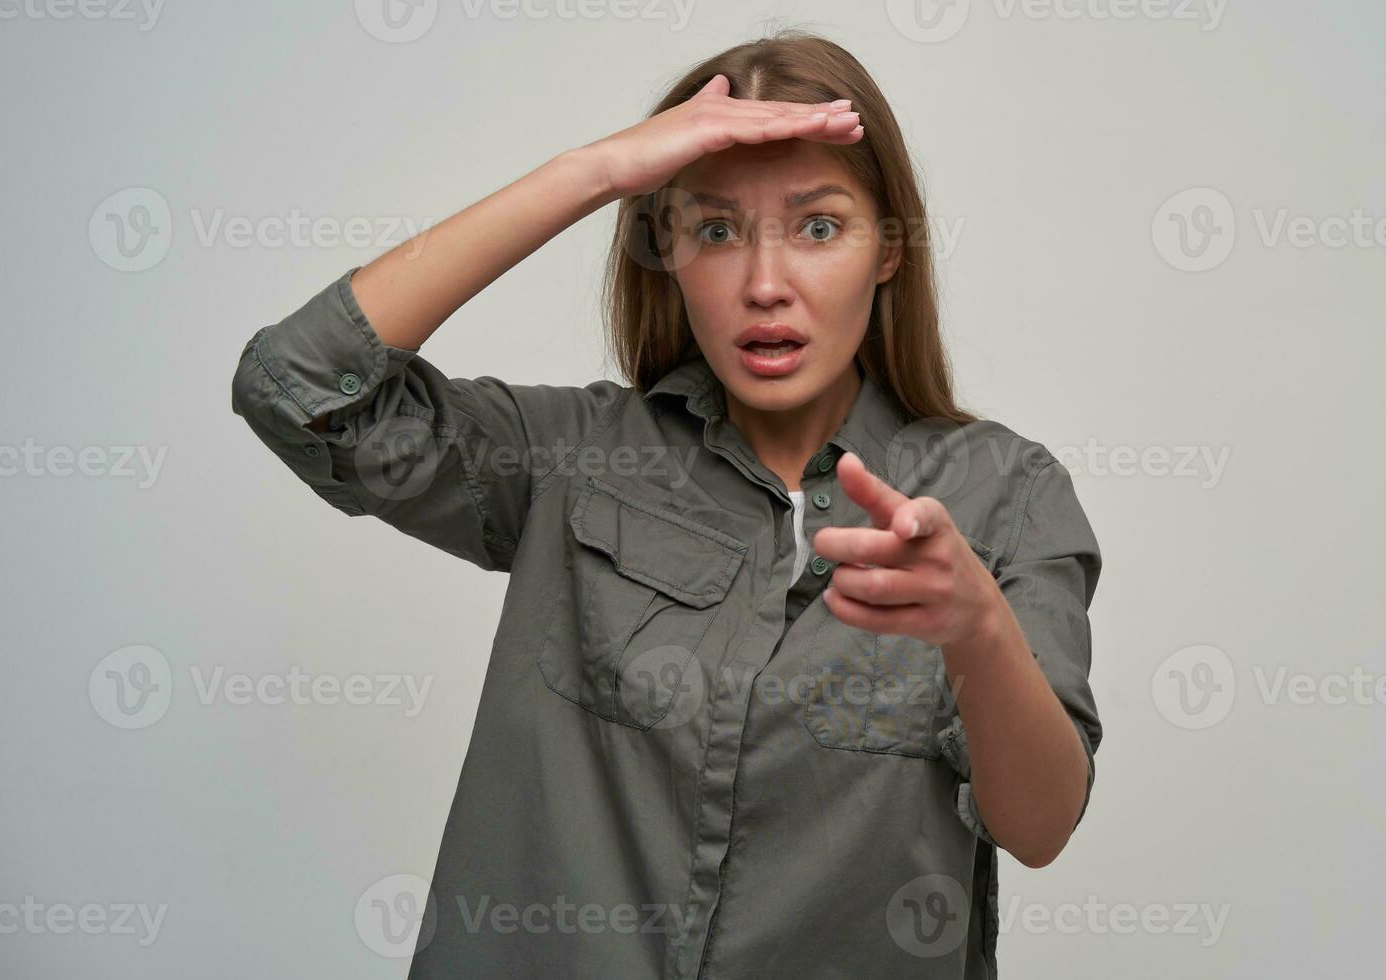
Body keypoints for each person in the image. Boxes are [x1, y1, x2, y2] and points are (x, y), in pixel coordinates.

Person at [230, 29, 1102, 980]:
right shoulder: (569, 457)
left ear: (887, 249)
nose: (766, 287)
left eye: (818, 227)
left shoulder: (1006, 492)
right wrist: (594, 172)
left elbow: (1042, 823)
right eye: (716, 230)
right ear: (665, 249)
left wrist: (976, 628)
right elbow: (298, 391)